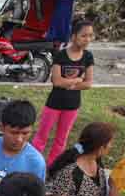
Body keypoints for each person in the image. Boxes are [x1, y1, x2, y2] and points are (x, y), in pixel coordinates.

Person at [32, 20, 95, 165]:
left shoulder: (88, 57)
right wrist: (78, 80)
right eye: (83, 36)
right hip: (54, 103)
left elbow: (88, 83)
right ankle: (33, 164)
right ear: (73, 36)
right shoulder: (60, 55)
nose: (87, 40)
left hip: (72, 105)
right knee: (42, 136)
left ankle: (53, 166)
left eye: (90, 36)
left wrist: (71, 85)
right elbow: (56, 81)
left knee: (61, 140)